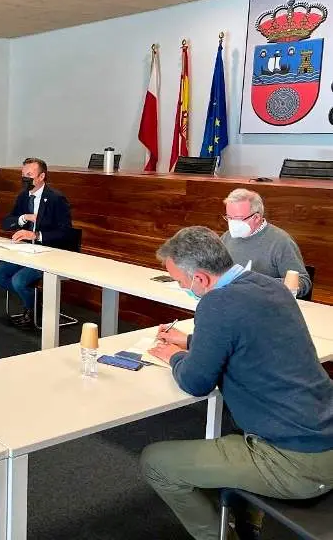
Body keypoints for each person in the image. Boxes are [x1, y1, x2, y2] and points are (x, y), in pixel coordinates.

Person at [140, 226, 333, 540]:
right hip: (325, 434)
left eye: (180, 281)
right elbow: (251, 337)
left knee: (155, 462)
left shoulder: (215, 305)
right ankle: (247, 520)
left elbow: (195, 382)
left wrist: (174, 356)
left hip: (297, 463)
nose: (182, 287)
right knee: (233, 431)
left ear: (200, 278)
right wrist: (191, 340)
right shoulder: (270, 287)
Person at [0, 158, 73, 328]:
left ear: (41, 176)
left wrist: (36, 234)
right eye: (23, 175)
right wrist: (22, 218)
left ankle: (32, 308)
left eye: (29, 175)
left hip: (49, 253)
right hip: (25, 250)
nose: (25, 179)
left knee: (18, 281)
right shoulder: (23, 197)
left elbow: (66, 232)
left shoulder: (56, 198)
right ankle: (37, 301)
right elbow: (7, 222)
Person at [221, 188, 311, 298]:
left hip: (264, 304)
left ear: (257, 217)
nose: (233, 223)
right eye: (229, 218)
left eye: (238, 218)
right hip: (229, 298)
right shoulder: (227, 237)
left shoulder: (280, 242)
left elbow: (303, 282)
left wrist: (261, 283)